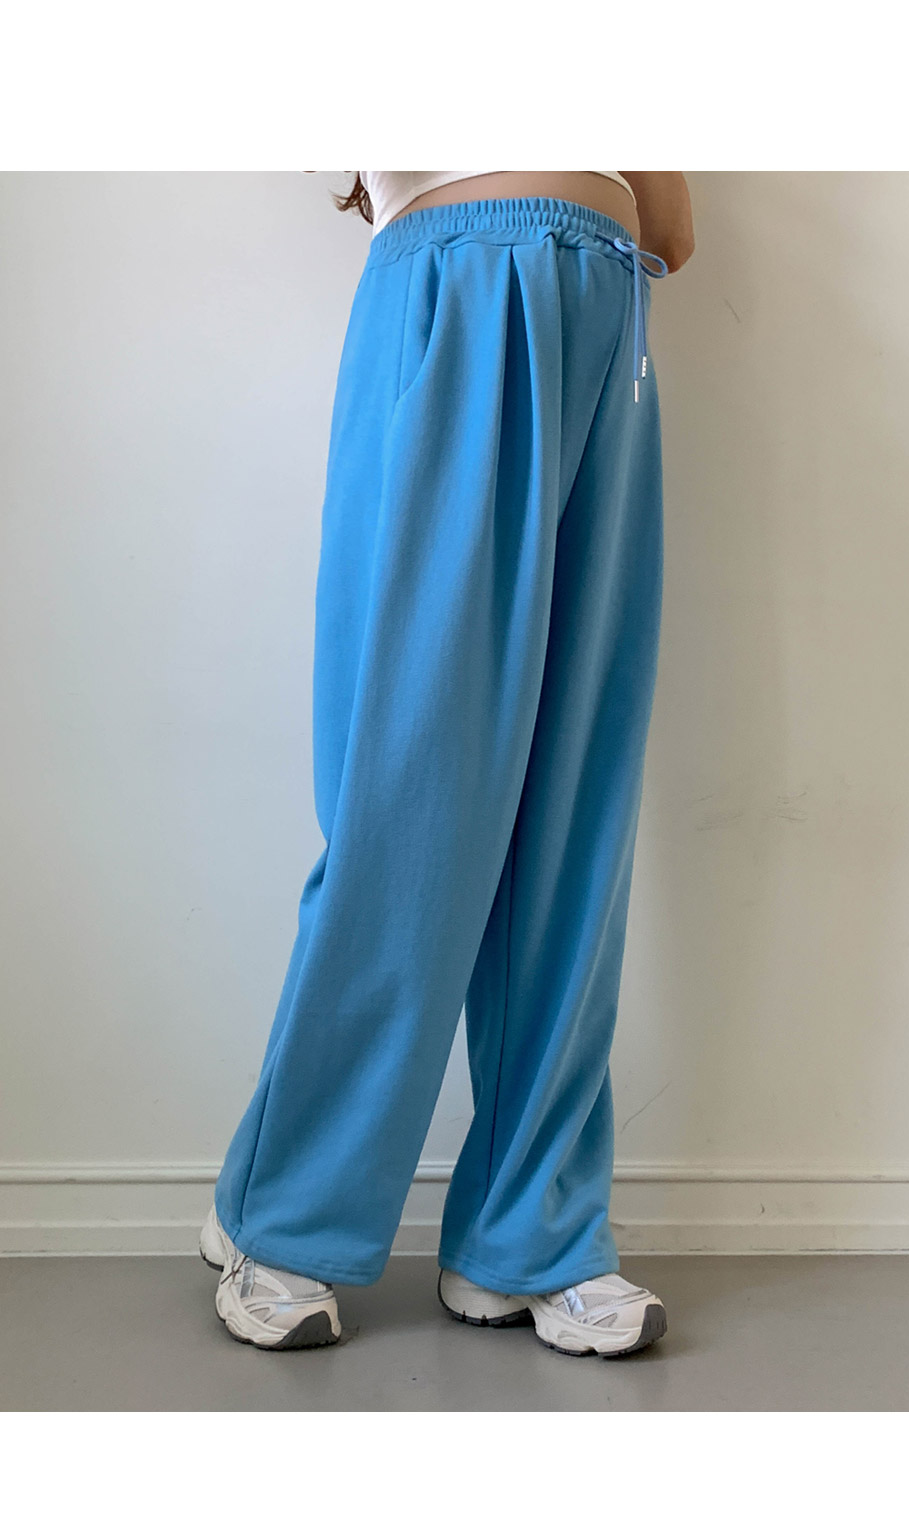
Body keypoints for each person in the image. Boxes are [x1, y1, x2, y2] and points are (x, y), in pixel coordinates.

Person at [200, 171, 695, 1356]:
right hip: (452, 291)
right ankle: (285, 1210)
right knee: (409, 800)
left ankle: (530, 1235)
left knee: (575, 811)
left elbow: (672, 228)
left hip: (606, 311)